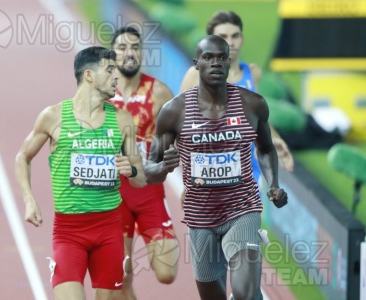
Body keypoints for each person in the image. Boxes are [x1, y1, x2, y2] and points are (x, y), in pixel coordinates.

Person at [145, 35, 288, 300]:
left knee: (245, 293)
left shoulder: (252, 104)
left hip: (242, 209)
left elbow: (266, 148)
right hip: (200, 218)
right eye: (208, 58)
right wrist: (164, 166)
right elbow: (149, 172)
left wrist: (274, 185)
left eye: (221, 57)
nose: (215, 63)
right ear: (196, 64)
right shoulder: (174, 111)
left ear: (228, 60)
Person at [14, 46, 146, 300]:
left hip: (109, 229)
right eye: (109, 71)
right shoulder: (53, 117)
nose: (116, 77)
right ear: (89, 75)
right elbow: (23, 157)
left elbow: (140, 178)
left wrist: (130, 169)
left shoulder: (122, 120)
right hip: (69, 231)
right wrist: (29, 200)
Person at [107, 26, 179, 300]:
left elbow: (184, 135)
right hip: (113, 196)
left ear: (141, 53)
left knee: (167, 272)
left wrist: (187, 183)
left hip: (149, 192)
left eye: (135, 47)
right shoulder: (101, 94)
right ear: (112, 55)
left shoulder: (159, 93)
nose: (129, 53)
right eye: (122, 48)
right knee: (120, 278)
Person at [180, 10, 294, 173]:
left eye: (235, 36)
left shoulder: (253, 73)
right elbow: (179, 125)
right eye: (223, 37)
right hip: (210, 172)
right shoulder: (196, 75)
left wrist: (275, 139)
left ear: (242, 39)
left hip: (249, 173)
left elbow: (259, 119)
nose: (231, 42)